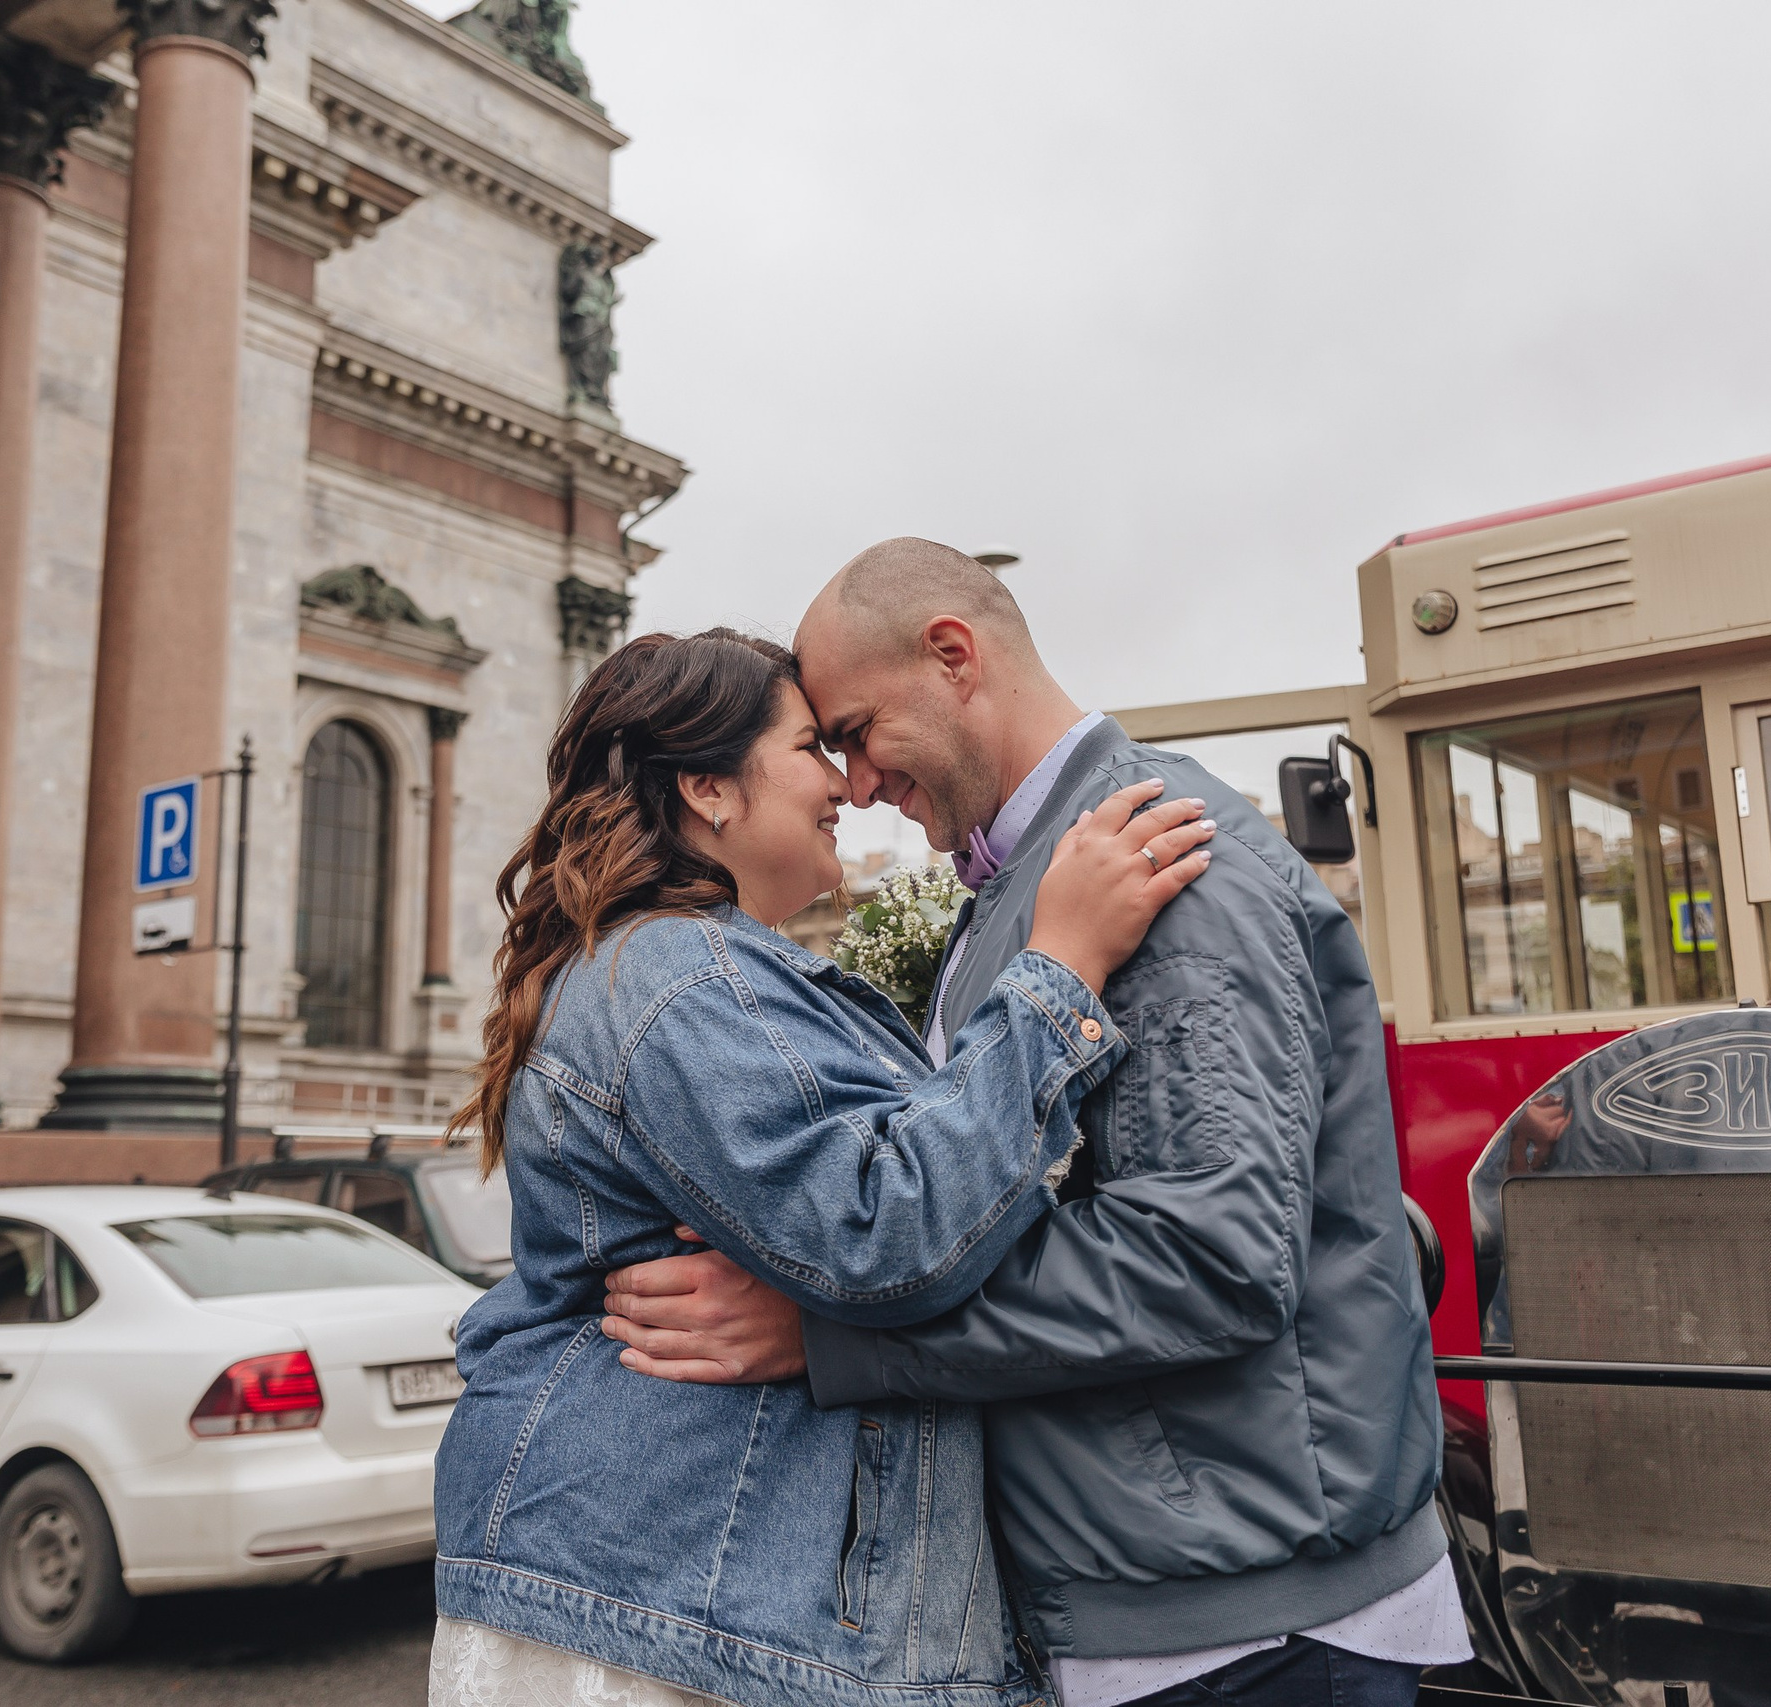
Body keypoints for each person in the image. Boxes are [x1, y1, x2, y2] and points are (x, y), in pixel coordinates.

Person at [600, 541, 1462, 1707]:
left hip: (1245, 1621)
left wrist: (834, 1344)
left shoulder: (1160, 861)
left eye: (852, 731)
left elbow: (1205, 1261)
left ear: (952, 656)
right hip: (1181, 1583)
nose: (852, 784)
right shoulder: (1039, 885)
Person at [430, 628, 1216, 1707]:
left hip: (685, 1591)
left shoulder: (702, 970)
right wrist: (1061, 966)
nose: (846, 782)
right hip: (674, 1609)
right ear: (709, 789)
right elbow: (883, 1231)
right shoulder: (680, 974)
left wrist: (814, 1331)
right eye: (812, 747)